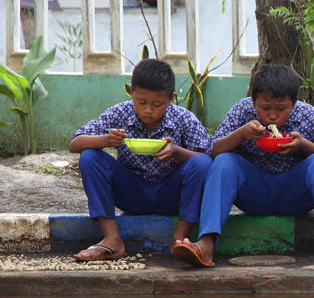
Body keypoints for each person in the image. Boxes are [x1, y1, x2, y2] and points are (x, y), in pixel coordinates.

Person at [172, 64, 314, 270]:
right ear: (253, 101)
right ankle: (207, 244)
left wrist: (304, 147)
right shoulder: (242, 111)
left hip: (295, 195)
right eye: (265, 108)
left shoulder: (309, 115)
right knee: (224, 162)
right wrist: (240, 135)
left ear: (294, 103)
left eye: (281, 109)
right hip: (254, 195)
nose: (273, 116)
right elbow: (211, 151)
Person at [69, 58, 212, 261]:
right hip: (131, 193)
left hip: (171, 195)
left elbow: (208, 159)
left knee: (200, 163)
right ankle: (112, 240)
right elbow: (74, 143)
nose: (148, 110)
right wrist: (107, 140)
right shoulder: (120, 113)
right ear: (131, 93)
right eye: (141, 102)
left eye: (157, 104)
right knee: (90, 156)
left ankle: (180, 240)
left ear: (171, 98)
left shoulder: (183, 119)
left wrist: (176, 151)